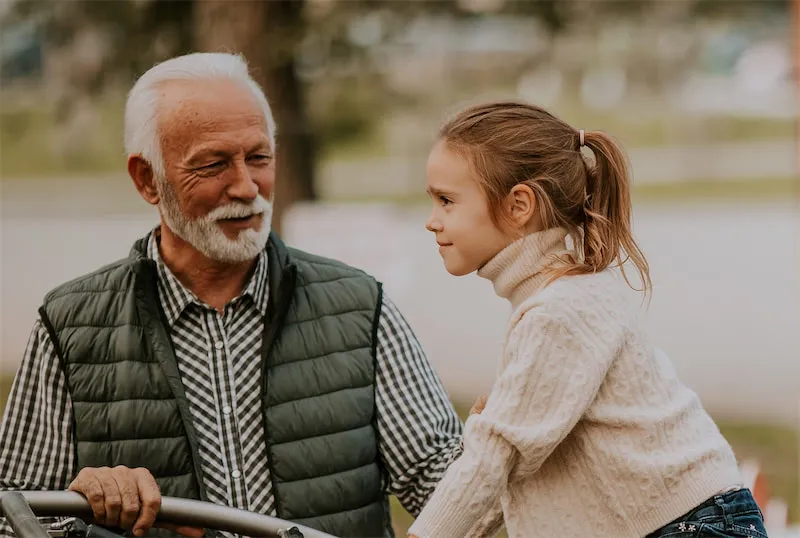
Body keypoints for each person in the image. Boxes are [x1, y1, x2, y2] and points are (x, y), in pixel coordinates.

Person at [0, 52, 465, 538]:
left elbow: (445, 485)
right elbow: (12, 516)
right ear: (146, 179)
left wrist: (505, 443)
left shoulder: (360, 306)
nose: (246, 187)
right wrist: (81, 508)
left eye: (258, 157)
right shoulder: (70, 326)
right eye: (214, 164)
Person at [407, 101, 768, 538]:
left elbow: (495, 454)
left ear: (519, 205)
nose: (432, 221)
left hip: (690, 526)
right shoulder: (554, 300)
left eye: (446, 201)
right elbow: (509, 465)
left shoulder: (562, 310)